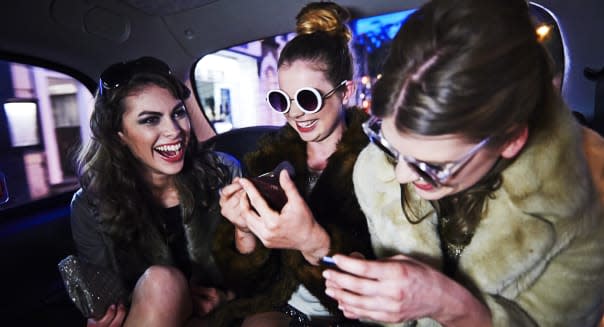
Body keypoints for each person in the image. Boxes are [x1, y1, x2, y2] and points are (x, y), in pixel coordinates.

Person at [322, 0, 604, 326]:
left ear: (511, 139)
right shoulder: (376, 169)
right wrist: (369, 284)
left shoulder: (591, 190)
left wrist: (450, 305)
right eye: (389, 143)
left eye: (433, 165)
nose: (400, 173)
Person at [212, 2, 375, 326]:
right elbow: (246, 282)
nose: (294, 113)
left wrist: (314, 241)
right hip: (275, 303)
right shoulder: (267, 159)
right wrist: (243, 230)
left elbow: (378, 283)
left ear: (346, 92)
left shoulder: (378, 164)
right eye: (282, 100)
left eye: (308, 98)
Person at [70, 56, 241, 327]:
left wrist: (227, 298)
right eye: (150, 120)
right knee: (162, 284)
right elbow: (108, 299)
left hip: (223, 318)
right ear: (119, 135)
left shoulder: (222, 174)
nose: (174, 131)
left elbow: (259, 269)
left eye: (178, 113)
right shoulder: (91, 205)